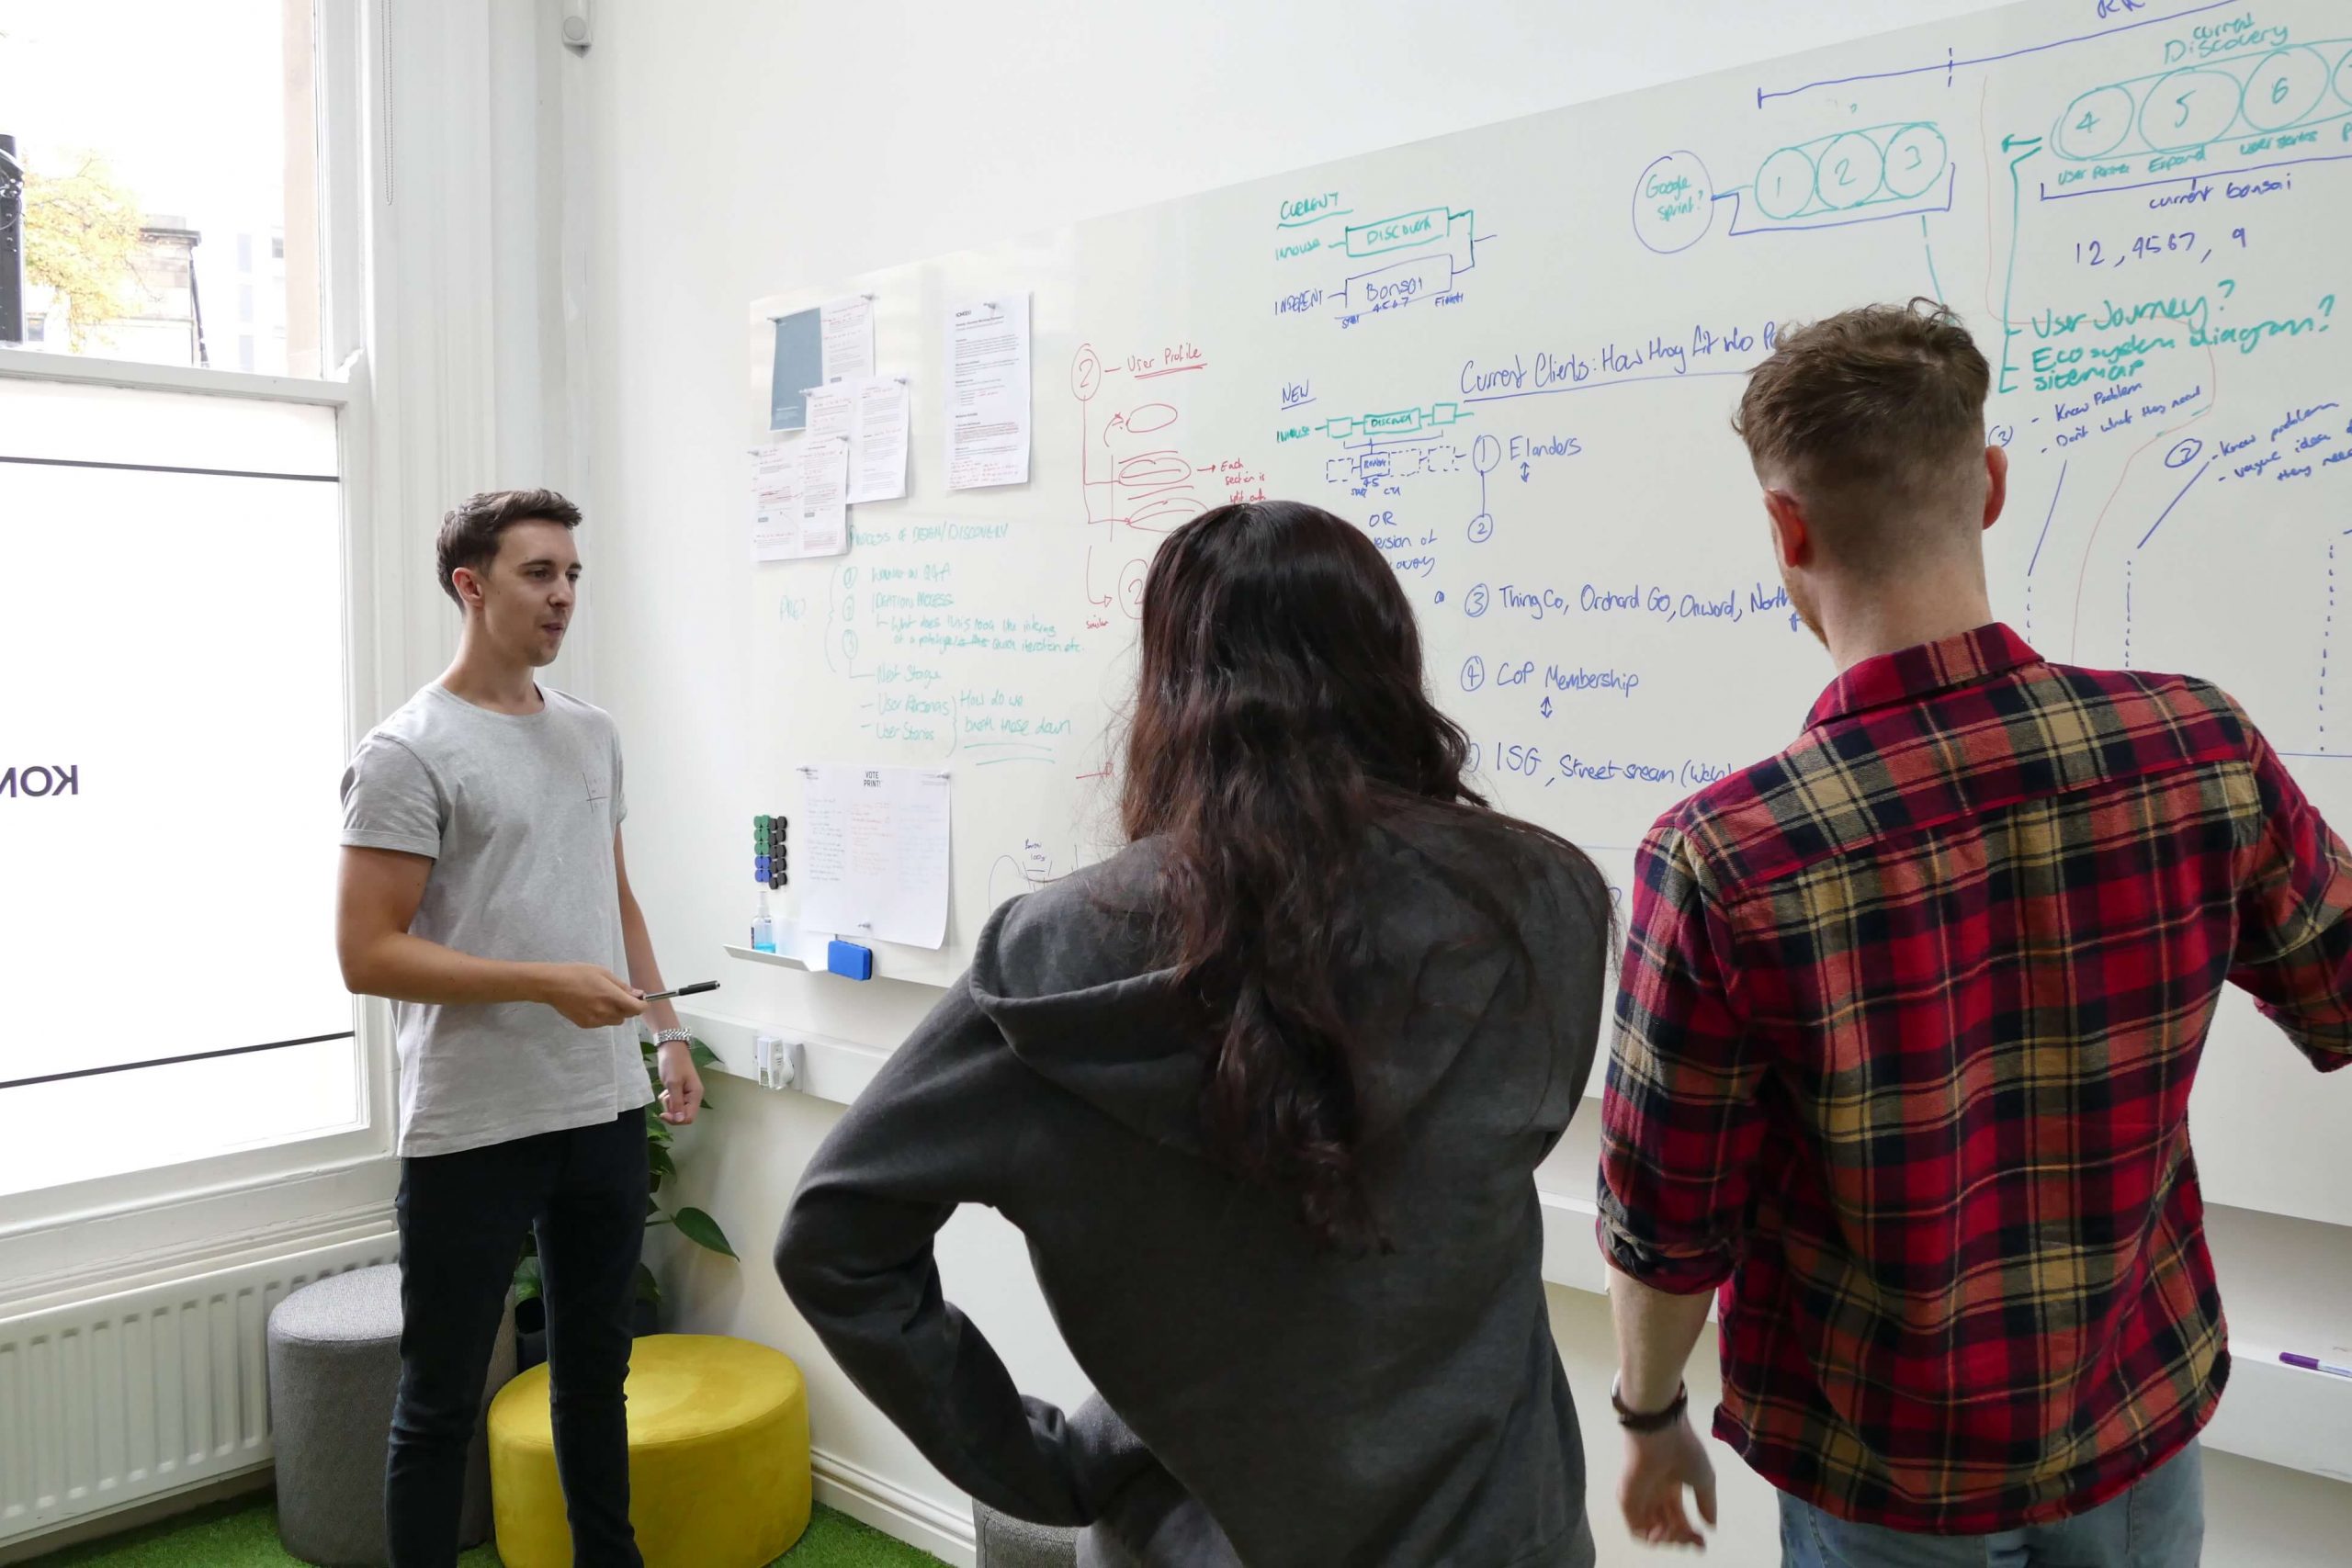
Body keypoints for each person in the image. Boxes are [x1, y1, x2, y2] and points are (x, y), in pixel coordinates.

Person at [1597, 300, 2352, 1564]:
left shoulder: (1723, 857)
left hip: (1886, 1468)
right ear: (1990, 484)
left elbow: (1669, 1221)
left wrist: (1649, 1409)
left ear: (1786, 527)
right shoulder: (2198, 748)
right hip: (2135, 1414)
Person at [775, 500, 1615, 1567]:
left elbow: (834, 1237)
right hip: (1500, 1534)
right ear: (1391, 662)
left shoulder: (1056, 956)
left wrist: (1033, 1465)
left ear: (1169, 688)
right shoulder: (1543, 900)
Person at [336, 488, 707, 1568]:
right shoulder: (406, 752)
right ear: (471, 584)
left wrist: (667, 1030)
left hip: (601, 1107)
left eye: (573, 576)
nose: (563, 597)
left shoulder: (591, 734)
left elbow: (616, 894)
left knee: (597, 1376)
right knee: (441, 1400)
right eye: (538, 574)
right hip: (471, 1126)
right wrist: (544, 982)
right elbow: (367, 953)